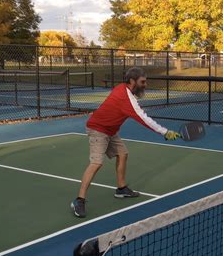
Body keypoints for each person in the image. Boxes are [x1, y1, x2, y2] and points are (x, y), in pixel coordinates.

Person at [71, 67, 180, 218]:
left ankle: (121, 189)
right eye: (143, 82)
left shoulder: (124, 90)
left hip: (110, 129)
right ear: (132, 81)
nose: (145, 85)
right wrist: (165, 132)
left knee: (123, 154)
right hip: (98, 129)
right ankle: (79, 200)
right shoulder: (126, 98)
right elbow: (143, 119)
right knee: (96, 163)